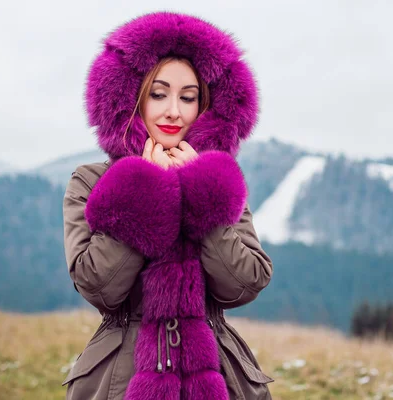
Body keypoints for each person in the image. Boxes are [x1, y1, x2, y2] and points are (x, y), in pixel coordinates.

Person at [62, 12, 274, 400]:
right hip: (122, 380)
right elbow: (97, 286)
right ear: (132, 100)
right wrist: (144, 188)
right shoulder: (90, 181)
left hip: (217, 378)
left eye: (188, 97)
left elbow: (244, 284)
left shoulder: (220, 179)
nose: (173, 110)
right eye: (158, 94)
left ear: (205, 107)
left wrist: (202, 191)